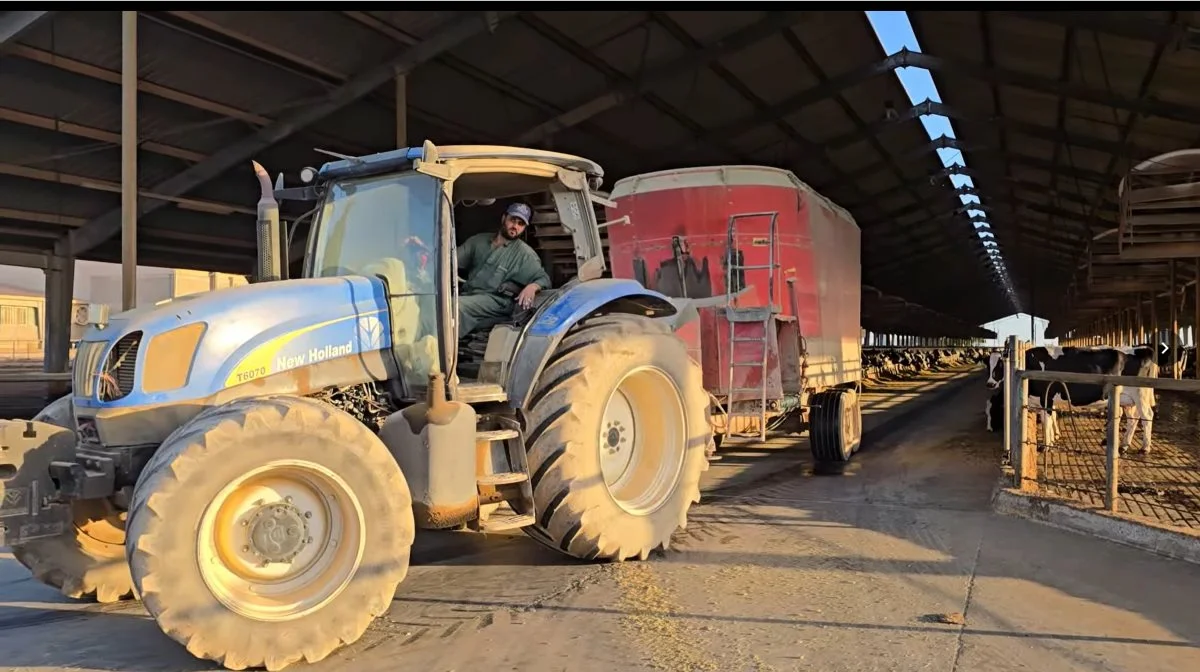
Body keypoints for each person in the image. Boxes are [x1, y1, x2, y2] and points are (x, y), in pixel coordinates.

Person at [456, 202, 551, 336]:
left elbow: (544, 278)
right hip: (470, 294)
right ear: (503, 218)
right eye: (513, 220)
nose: (515, 226)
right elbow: (451, 259)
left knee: (453, 307)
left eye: (520, 224)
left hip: (497, 301)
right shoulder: (479, 241)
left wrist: (533, 286)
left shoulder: (525, 254)